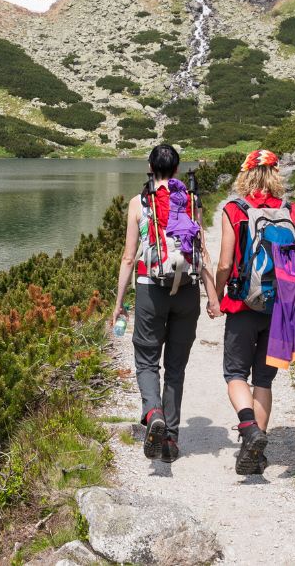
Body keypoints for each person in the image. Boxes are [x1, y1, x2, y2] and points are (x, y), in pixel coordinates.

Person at [206, 148, 295, 475]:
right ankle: (257, 457)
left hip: (242, 304)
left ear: (244, 174)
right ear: (276, 174)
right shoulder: (290, 210)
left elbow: (223, 263)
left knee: (235, 374)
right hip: (279, 308)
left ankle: (249, 431)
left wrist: (217, 295)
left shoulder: (234, 209)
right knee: (263, 379)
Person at [109, 144, 205, 464]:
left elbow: (128, 256)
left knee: (147, 359)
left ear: (150, 167)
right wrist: (213, 296)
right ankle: (171, 441)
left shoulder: (139, 203)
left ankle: (153, 414)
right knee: (175, 366)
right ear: (177, 170)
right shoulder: (190, 201)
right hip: (188, 289)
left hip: (151, 288)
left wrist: (119, 303)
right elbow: (200, 251)